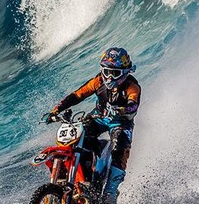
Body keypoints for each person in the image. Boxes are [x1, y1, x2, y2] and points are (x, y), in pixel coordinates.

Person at [48, 47, 141, 204]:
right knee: (76, 136)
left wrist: (120, 109)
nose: (109, 77)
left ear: (125, 72)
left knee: (119, 149)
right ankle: (80, 177)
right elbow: (78, 95)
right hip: (99, 117)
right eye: (106, 71)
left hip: (121, 122)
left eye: (115, 73)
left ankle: (110, 193)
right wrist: (56, 110)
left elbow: (133, 106)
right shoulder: (98, 81)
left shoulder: (132, 87)